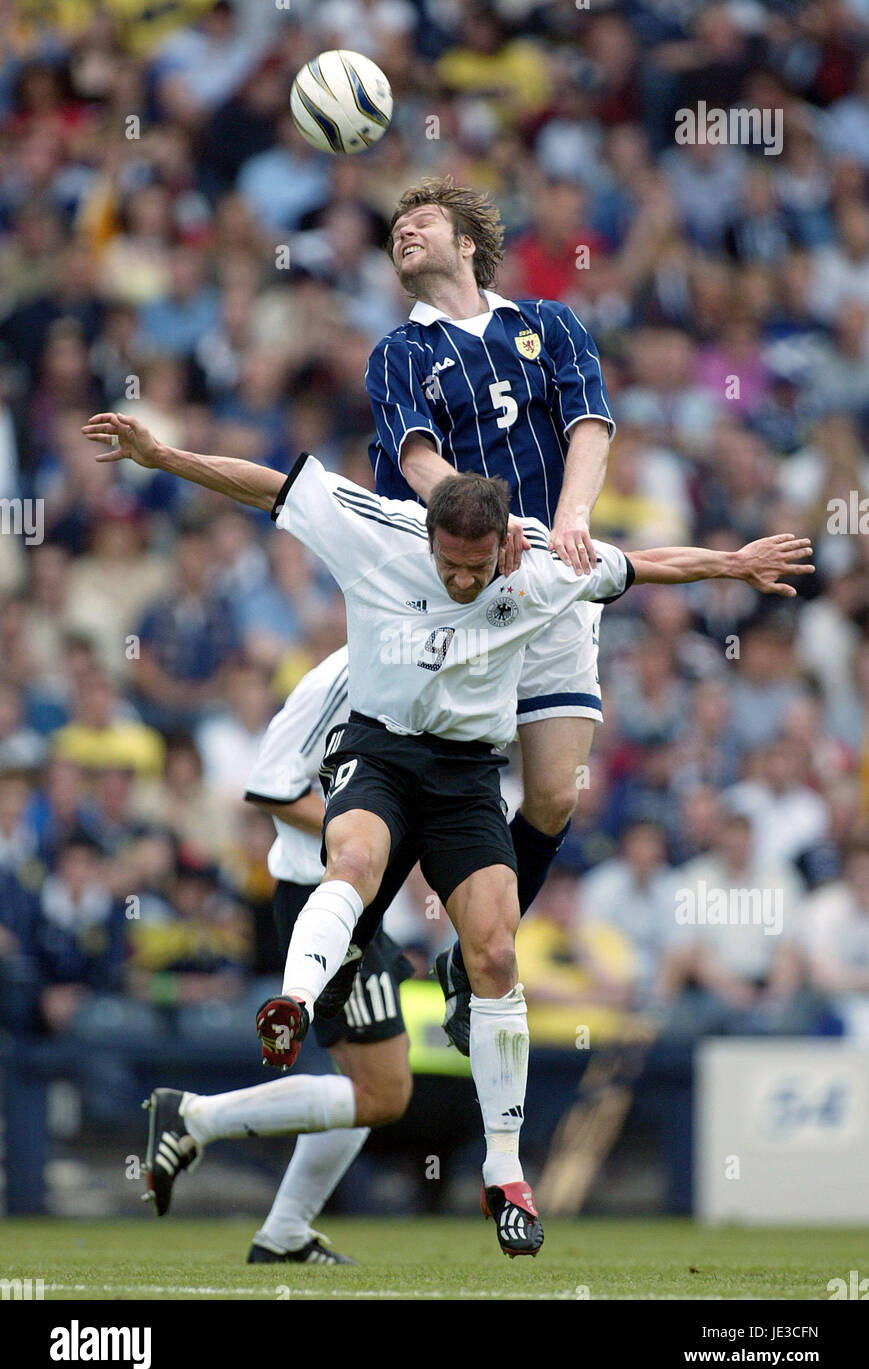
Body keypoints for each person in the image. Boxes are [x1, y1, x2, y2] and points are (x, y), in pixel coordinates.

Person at [82, 408, 812, 1257]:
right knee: (353, 865)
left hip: (465, 776)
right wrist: (163, 455)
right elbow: (264, 484)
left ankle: (502, 1176)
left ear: (500, 544)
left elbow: (640, 567)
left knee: (490, 959)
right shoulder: (370, 549)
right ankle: (292, 999)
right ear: (425, 537)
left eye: (477, 567)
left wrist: (731, 562)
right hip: (379, 764)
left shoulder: (537, 569)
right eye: (449, 566)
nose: (463, 583)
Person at [366, 177, 617, 1052]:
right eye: (394, 226)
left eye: (420, 221)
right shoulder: (399, 351)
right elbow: (414, 458)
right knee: (416, 789)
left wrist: (570, 519)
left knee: (553, 791)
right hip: (453, 591)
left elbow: (589, 422)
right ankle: (358, 944)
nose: (403, 231)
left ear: (467, 242)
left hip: (547, 581)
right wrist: (481, 519)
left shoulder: (547, 324)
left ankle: (470, 965)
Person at [242, 646, 416, 1265]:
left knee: (376, 1085)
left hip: (358, 902)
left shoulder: (423, 664)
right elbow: (268, 787)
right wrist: (360, 832)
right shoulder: (338, 678)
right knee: (383, 1090)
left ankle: (284, 1234)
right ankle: (197, 1120)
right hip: (316, 896)